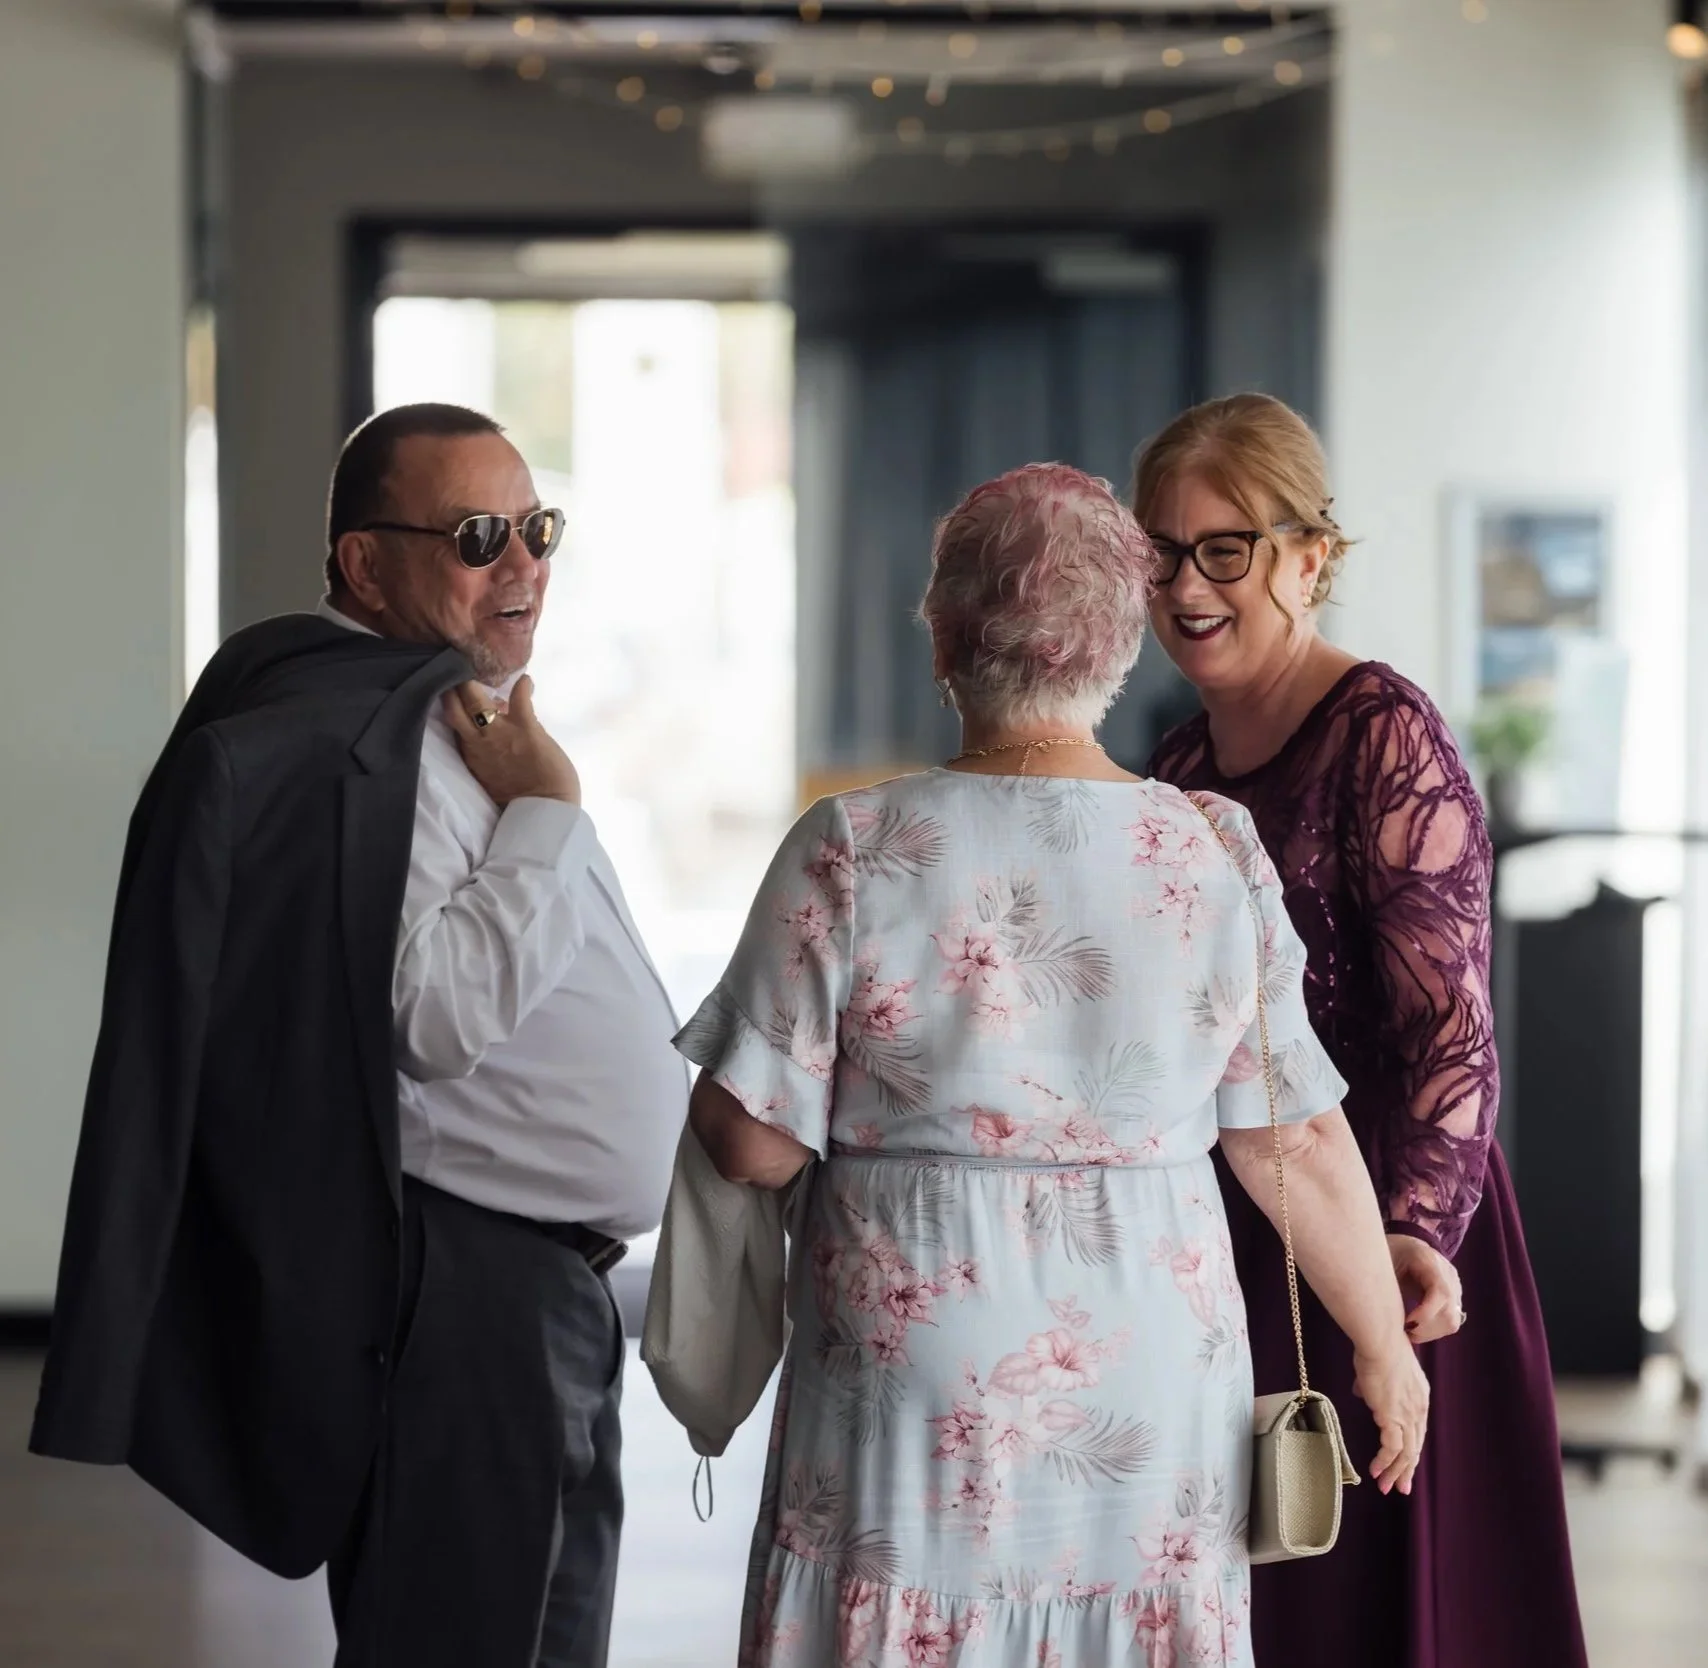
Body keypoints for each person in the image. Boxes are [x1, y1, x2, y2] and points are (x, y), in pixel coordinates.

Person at [674, 463, 1428, 1668]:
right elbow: (1288, 1135)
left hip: (914, 1384)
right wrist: (1381, 1348)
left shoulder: (852, 846)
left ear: (943, 638)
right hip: (1148, 1378)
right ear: (1120, 645)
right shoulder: (1212, 850)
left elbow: (752, 1144)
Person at [31, 402, 687, 1668]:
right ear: (366, 565)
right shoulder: (351, 747)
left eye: (538, 528)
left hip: (547, 1288)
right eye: (478, 537)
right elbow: (436, 1021)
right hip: (468, 1298)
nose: (522, 565)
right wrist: (547, 812)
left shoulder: (451, 714)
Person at [1139, 393, 1588, 1668]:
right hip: (1236, 1223)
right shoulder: (1176, 767)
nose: (1186, 586)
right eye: (1161, 553)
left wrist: (1409, 1239)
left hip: (1388, 1226)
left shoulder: (1385, 734)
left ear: (1309, 558)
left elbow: (1453, 1031)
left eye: (1224, 550)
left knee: (1378, 1604)